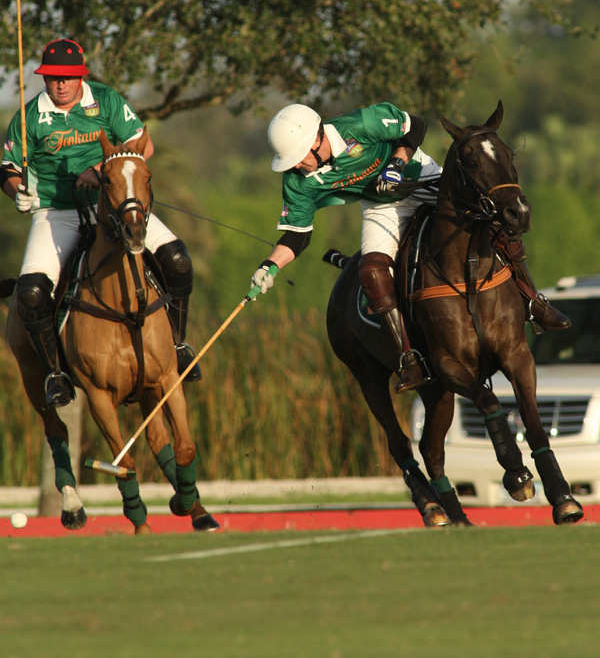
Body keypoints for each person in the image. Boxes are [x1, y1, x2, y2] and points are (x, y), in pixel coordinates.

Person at [251, 102, 571, 392]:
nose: (296, 166)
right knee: (372, 271)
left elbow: (415, 126)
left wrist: (396, 163)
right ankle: (410, 358)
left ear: (317, 139)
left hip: (425, 179)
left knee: (497, 221)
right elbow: (297, 235)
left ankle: (533, 302)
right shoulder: (298, 180)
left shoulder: (361, 124)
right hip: (382, 206)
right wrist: (270, 267)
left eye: (298, 158)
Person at [0, 39, 201, 409]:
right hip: (55, 212)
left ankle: (177, 345)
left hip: (113, 203)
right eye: (53, 78)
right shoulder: (28, 118)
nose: (60, 85)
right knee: (30, 293)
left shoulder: (106, 100)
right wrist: (18, 193)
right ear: (44, 79)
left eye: (68, 77)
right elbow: (8, 168)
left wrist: (99, 171)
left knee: (178, 261)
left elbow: (143, 145)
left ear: (81, 77)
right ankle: (56, 373)